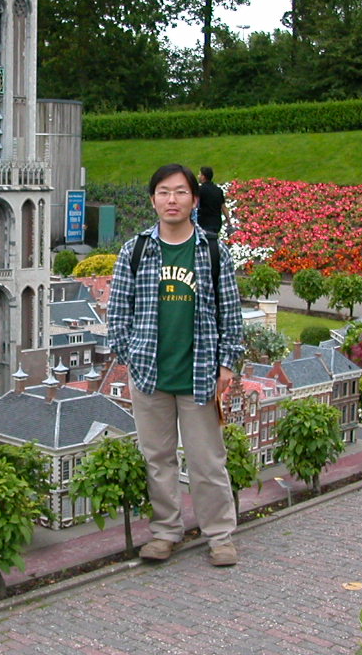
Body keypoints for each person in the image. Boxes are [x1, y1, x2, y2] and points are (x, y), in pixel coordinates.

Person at [107, 163, 245, 567]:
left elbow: (230, 313)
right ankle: (166, 532)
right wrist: (130, 357)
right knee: (158, 460)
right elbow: (118, 313)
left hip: (199, 376)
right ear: (153, 200)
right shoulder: (135, 251)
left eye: (181, 192)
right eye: (164, 192)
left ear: (194, 200)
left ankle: (219, 536)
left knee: (207, 462)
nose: (172, 199)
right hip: (150, 376)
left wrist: (226, 364)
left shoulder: (213, 252)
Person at [196, 166, 231, 235]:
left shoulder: (200, 190)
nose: (198, 176)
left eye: (199, 174)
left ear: (203, 177)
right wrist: (228, 221)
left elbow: (195, 204)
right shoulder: (218, 190)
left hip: (204, 223)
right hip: (216, 224)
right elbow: (223, 207)